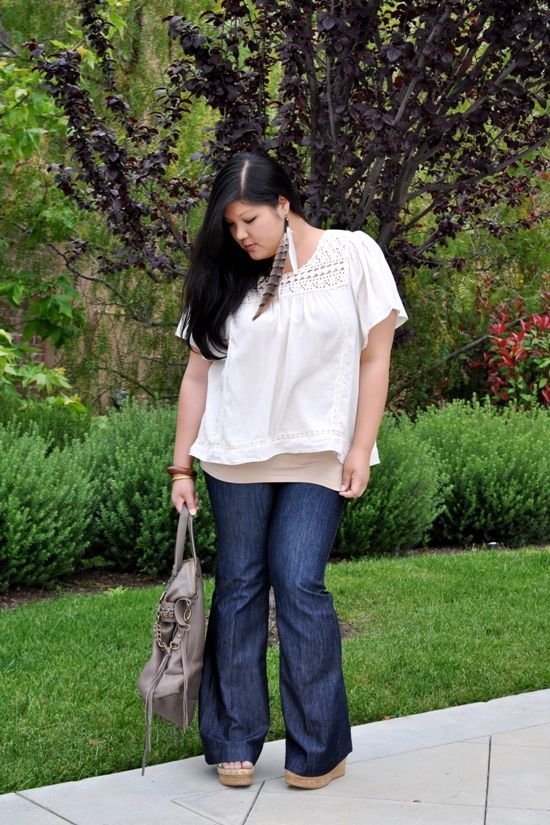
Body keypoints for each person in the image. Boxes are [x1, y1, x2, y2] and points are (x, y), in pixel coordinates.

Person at [170, 152, 407, 790]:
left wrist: (360, 447)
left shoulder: (354, 255)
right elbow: (197, 376)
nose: (240, 235)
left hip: (320, 453)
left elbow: (374, 358)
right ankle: (233, 737)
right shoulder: (224, 277)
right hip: (234, 456)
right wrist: (181, 466)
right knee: (241, 586)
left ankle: (318, 746)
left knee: (299, 582)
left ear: (283, 204)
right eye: (230, 227)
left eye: (249, 220)